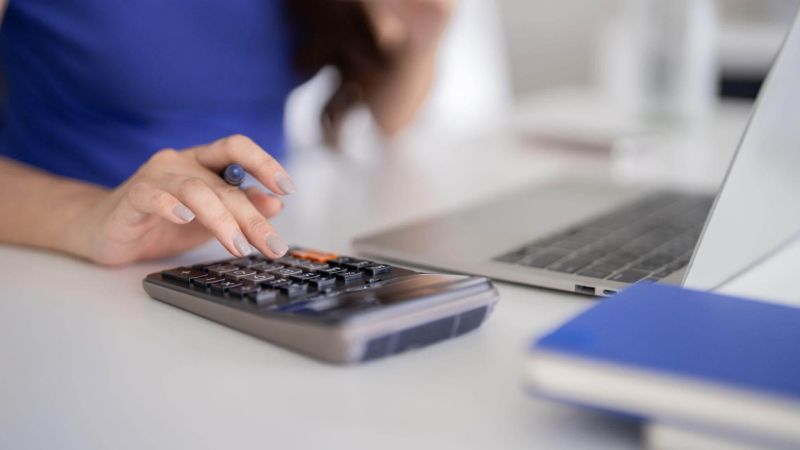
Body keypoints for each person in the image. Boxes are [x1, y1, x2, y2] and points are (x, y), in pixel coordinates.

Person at [0, 0, 452, 265]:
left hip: (258, 255)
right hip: (59, 261)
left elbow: (393, 118)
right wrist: (89, 215)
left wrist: (427, 30)